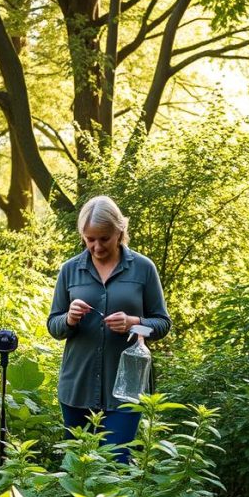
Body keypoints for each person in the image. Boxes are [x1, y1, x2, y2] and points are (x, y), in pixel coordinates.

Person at [47, 195, 171, 462]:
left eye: (104, 238)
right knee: (78, 468)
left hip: (127, 386)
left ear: (120, 231)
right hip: (77, 386)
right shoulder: (70, 271)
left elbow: (162, 325)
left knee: (117, 463)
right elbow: (53, 327)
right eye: (90, 239)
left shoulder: (143, 268)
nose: (96, 246)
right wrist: (69, 319)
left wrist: (135, 324)